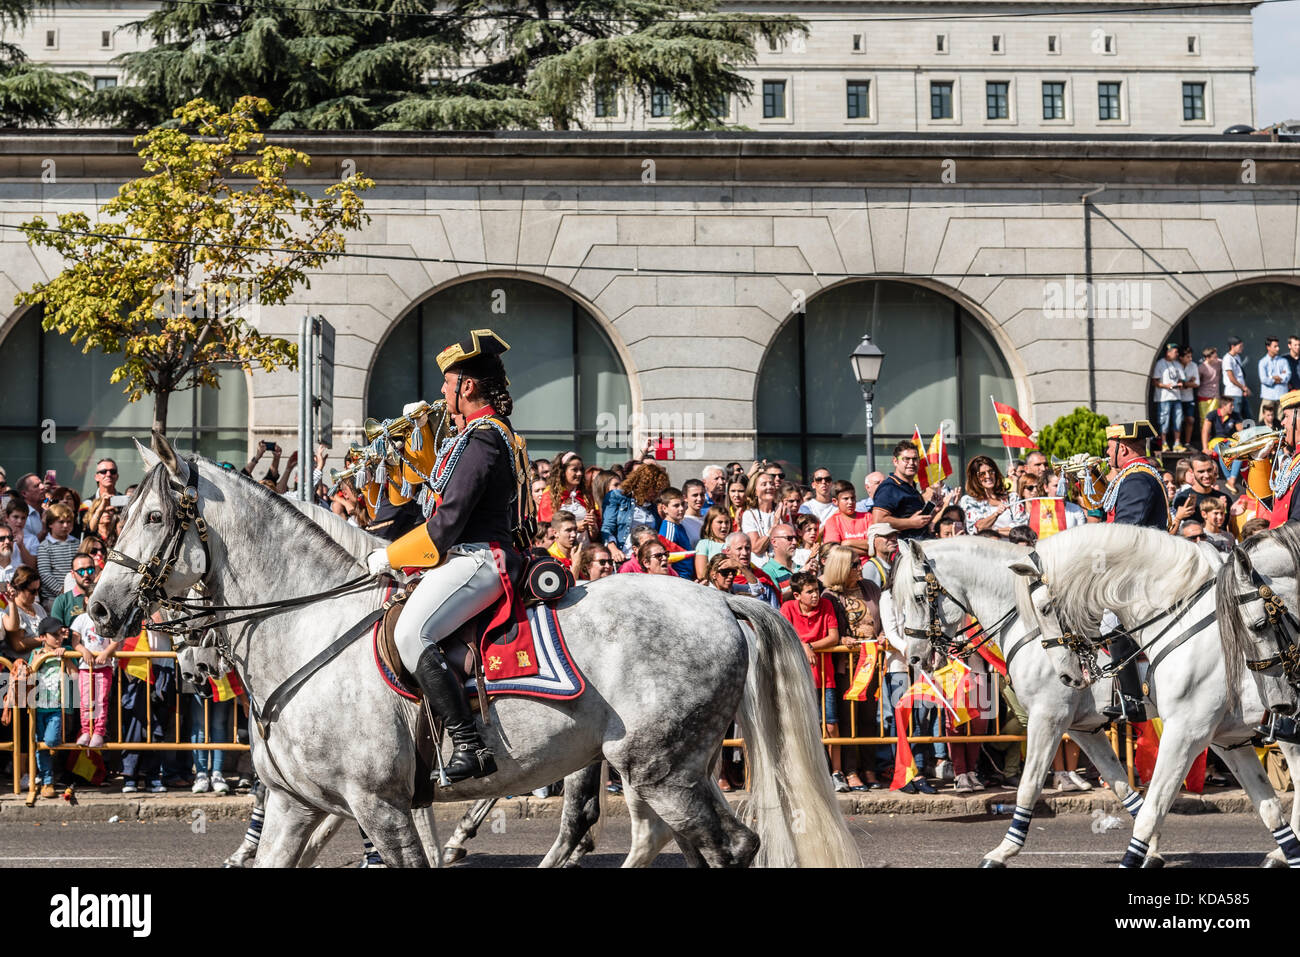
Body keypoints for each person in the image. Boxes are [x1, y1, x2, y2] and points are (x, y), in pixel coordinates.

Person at [364, 329, 530, 784]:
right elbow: (429, 506)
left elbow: (449, 521)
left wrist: (393, 557)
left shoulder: (484, 439)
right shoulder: (474, 436)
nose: (442, 390)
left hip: (480, 558)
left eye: (448, 382)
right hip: (463, 555)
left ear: (468, 387)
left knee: (413, 634)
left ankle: (469, 744)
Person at [1099, 420, 1170, 722]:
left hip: (1139, 568)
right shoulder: (1132, 475)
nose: (1106, 452)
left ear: (1122, 448)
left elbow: (1128, 528)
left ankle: (1131, 699)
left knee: (1111, 621)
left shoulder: (1138, 478)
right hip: (1136, 563)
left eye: (1109, 447)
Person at [821, 544, 883, 790]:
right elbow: (831, 629)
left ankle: (869, 768)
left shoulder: (871, 588)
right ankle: (850, 770)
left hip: (872, 660)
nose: (861, 567)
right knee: (848, 720)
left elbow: (884, 617)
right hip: (846, 665)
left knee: (869, 718)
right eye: (855, 564)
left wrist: (884, 634)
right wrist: (843, 639)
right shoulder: (829, 596)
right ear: (841, 568)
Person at [780, 572, 842, 788]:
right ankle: (805, 774)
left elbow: (834, 637)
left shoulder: (826, 605)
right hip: (797, 678)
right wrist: (804, 646)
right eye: (810, 592)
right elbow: (784, 636)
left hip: (825, 677)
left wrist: (809, 646)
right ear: (797, 595)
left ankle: (837, 772)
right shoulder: (787, 608)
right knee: (800, 726)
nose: (815, 595)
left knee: (831, 726)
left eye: (816, 590)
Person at [70, 599, 117, 750]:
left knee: (101, 700)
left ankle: (98, 732)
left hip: (104, 667)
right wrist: (84, 651)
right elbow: (75, 642)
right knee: (85, 701)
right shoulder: (81, 619)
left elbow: (116, 641)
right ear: (86, 600)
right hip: (85, 667)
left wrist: (106, 653)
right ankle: (86, 731)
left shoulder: (109, 618)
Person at [601, 463, 668, 562]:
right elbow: (607, 528)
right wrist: (613, 549)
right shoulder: (617, 497)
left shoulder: (653, 507)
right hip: (624, 556)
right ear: (643, 485)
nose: (656, 494)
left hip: (647, 559)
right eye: (653, 489)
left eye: (659, 490)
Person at [870, 442, 938, 539]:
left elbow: (918, 522)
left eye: (915, 459)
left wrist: (933, 510)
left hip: (920, 546)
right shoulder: (889, 487)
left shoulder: (912, 487)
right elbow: (878, 521)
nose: (911, 463)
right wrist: (910, 523)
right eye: (906, 459)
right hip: (902, 549)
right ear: (895, 461)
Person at [538, 451, 599, 546]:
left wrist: (593, 527)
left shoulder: (586, 495)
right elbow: (546, 529)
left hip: (584, 550)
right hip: (559, 552)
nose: (579, 473)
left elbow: (593, 536)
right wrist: (575, 527)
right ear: (562, 471)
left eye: (581, 470)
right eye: (574, 470)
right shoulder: (550, 495)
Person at [1266, 389, 1300, 528]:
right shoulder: (1294, 459)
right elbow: (1273, 504)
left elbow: (1296, 522)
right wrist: (1259, 461)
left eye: (1286, 416)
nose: (1282, 422)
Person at [36, 503, 79, 607]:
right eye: (61, 522)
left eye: (69, 522)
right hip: (53, 599)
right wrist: (62, 592)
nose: (65, 525)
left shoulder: (77, 543)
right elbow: (45, 574)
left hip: (76, 595)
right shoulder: (45, 546)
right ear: (50, 524)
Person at [723, 531, 780, 608]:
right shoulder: (722, 578)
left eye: (747, 548)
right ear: (728, 551)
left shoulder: (762, 578)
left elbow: (775, 611)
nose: (745, 553)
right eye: (739, 548)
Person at [959, 455, 1012, 535]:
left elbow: (1019, 529)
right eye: (982, 474)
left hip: (1011, 546)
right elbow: (977, 528)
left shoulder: (1011, 498)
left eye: (991, 472)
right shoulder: (969, 501)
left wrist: (992, 531)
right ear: (975, 478)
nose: (988, 476)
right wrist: (996, 514)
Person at [1203, 394, 1244, 495]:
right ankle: (1229, 478)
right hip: (1216, 441)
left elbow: (1241, 432)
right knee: (1223, 450)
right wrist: (1204, 448)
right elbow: (1205, 431)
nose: (1233, 407)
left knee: (1240, 452)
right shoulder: (1212, 415)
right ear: (1224, 406)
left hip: (1230, 441)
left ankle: (1231, 480)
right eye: (1231, 405)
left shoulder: (1235, 415)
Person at [1171, 452, 1226, 527]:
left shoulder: (1224, 498)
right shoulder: (1183, 499)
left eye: (1209, 470)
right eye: (1201, 471)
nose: (1206, 475)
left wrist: (1232, 516)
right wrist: (1178, 518)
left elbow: (1228, 531)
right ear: (1192, 472)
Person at [822, 480, 872, 558]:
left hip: (869, 565)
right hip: (844, 566)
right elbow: (834, 551)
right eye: (846, 499)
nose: (850, 502)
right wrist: (868, 551)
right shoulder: (832, 522)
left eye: (853, 498)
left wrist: (847, 543)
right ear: (835, 501)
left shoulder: (868, 517)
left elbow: (876, 545)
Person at [3, 565, 46, 654]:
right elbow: (18, 645)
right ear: (19, 589)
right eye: (32, 591)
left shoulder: (38, 607)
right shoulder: (12, 611)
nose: (36, 594)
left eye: (39, 590)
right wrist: (46, 639)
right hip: (24, 664)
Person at [740, 471, 781, 562]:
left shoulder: (781, 510)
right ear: (755, 491)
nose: (769, 487)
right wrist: (774, 525)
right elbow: (757, 549)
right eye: (764, 484)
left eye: (771, 484)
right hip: (760, 567)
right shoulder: (749, 515)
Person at [1152, 342, 1184, 452]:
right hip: (1164, 398)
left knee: (1178, 420)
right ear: (1168, 352)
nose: (1177, 354)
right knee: (1164, 420)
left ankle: (1177, 443)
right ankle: (1164, 443)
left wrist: (1179, 384)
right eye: (1175, 352)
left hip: (1177, 396)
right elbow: (1155, 381)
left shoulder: (1177, 364)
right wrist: (1166, 386)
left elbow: (1181, 378)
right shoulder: (1160, 364)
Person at [656, 487, 694, 580]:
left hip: (687, 579)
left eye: (682, 504)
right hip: (678, 580)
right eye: (676, 505)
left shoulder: (679, 526)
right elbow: (666, 560)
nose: (681, 508)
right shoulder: (669, 528)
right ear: (665, 508)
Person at [693, 507, 733, 581]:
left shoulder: (735, 542)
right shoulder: (704, 544)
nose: (724, 526)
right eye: (720, 522)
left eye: (727, 522)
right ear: (710, 523)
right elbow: (701, 574)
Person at [761, 523, 799, 599]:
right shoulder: (767, 571)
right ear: (774, 542)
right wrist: (802, 580)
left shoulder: (799, 567)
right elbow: (776, 602)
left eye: (796, 538)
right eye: (789, 538)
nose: (795, 542)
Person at [1196, 345, 1222, 444]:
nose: (1216, 358)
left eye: (1217, 356)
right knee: (1204, 420)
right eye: (1214, 357)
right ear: (1207, 357)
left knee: (1215, 418)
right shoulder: (1202, 367)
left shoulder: (1219, 363)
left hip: (1215, 395)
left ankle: (1214, 440)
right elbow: (1196, 380)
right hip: (1204, 396)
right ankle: (1204, 442)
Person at [1223, 335, 1251, 421]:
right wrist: (1244, 388)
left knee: (1247, 417)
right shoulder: (1227, 358)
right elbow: (1231, 377)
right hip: (1233, 393)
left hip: (1240, 392)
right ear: (1232, 346)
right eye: (1240, 346)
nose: (1242, 348)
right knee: (1235, 418)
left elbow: (1241, 375)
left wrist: (1244, 389)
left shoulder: (1237, 357)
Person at [4, 499, 37, 571]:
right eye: (15, 517)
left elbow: (32, 566)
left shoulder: (32, 539)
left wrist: (21, 546)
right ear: (6, 517)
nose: (19, 521)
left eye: (23, 518)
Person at [1178, 346, 1201, 451]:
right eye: (1188, 357)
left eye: (1191, 356)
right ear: (1181, 357)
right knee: (1177, 421)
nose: (1190, 359)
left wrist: (1184, 383)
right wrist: (1189, 382)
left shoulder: (1193, 366)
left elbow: (1197, 383)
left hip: (1188, 398)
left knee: (1190, 420)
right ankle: (1176, 442)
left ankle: (1187, 443)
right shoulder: (1175, 365)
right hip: (1176, 397)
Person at [1260, 336, 1290, 403]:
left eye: (1278, 346)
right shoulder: (1262, 362)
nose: (1278, 348)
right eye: (1275, 346)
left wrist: (1271, 378)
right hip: (1268, 397)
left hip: (1282, 397)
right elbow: (1264, 379)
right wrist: (1280, 377)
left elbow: (1287, 376)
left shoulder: (1284, 361)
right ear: (1268, 347)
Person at [680, 479, 706, 546]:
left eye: (702, 494)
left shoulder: (708, 519)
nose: (699, 499)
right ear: (685, 497)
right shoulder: (682, 522)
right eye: (695, 495)